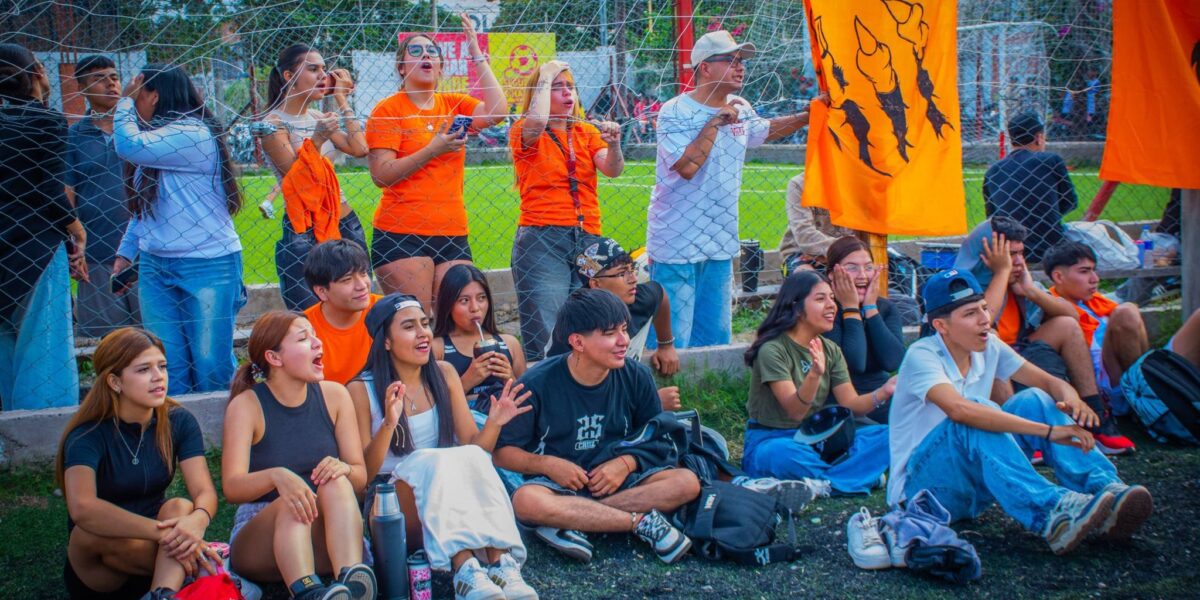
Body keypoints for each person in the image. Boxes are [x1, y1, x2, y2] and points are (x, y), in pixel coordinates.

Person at [888, 269, 1153, 555]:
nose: (984, 319)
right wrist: (1049, 432)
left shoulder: (988, 346)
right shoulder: (922, 354)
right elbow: (959, 410)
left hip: (971, 488)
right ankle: (1053, 513)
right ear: (941, 325)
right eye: (970, 314)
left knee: (1034, 399)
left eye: (984, 308)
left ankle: (1106, 489)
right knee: (977, 410)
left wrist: (1070, 396)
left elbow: (1047, 382)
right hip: (921, 494)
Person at [347, 294, 537, 600]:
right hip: (390, 505)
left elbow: (477, 451)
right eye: (409, 327)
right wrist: (389, 424)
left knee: (464, 455)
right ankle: (464, 571)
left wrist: (494, 422)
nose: (423, 333)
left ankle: (501, 564)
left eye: (424, 324)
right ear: (386, 341)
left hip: (448, 494)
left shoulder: (444, 373)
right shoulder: (361, 389)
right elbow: (363, 478)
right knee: (432, 459)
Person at [494, 289, 700, 565]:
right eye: (610, 333)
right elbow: (502, 453)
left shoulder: (636, 375)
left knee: (686, 482)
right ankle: (639, 523)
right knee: (527, 501)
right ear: (577, 341)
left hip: (621, 482)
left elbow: (660, 440)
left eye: (624, 329)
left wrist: (625, 464)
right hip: (557, 485)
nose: (623, 341)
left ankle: (572, 521)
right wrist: (549, 465)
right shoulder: (536, 383)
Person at [647, 30, 819, 348]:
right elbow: (687, 167)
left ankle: (708, 382)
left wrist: (808, 116)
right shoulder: (675, 110)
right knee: (672, 341)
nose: (740, 67)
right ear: (704, 67)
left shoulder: (741, 106)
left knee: (715, 338)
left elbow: (764, 131)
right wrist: (714, 122)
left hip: (721, 240)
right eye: (730, 60)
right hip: (676, 241)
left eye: (741, 61)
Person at [222, 311, 375, 600]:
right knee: (292, 501)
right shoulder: (246, 406)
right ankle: (307, 592)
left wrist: (343, 468)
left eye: (315, 335)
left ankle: (351, 580)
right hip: (262, 541)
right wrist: (277, 477)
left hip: (328, 532)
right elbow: (232, 487)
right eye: (304, 339)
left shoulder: (335, 395)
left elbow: (359, 477)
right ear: (274, 358)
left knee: (336, 481)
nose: (318, 343)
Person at [56, 328, 219, 600]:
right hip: (102, 563)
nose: (159, 377)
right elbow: (82, 508)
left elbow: (204, 491)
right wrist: (167, 534)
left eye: (162, 366)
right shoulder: (87, 435)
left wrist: (198, 520)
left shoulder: (179, 421)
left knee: (180, 506)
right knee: (86, 534)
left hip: (160, 552)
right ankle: (200, 571)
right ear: (114, 381)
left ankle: (163, 593)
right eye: (144, 369)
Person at [113, 65, 244, 395]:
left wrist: (124, 103)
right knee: (167, 362)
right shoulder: (158, 139)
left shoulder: (192, 134)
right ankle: (178, 424)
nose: (134, 103)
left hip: (208, 263)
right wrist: (126, 252)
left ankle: (218, 424)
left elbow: (126, 144)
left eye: (138, 96)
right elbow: (147, 206)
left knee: (210, 364)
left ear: (154, 96)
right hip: (156, 265)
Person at [954, 216, 1136, 454]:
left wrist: (1031, 291)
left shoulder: (1019, 283)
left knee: (1065, 325)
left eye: (1021, 253)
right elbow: (982, 324)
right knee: (991, 340)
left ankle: (1095, 419)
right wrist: (1001, 273)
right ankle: (1018, 437)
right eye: (1009, 254)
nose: (1018, 262)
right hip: (984, 379)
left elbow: (1073, 316)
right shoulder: (961, 287)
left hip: (1023, 363)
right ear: (984, 255)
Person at [365, 14, 507, 307]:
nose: (426, 55)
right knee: (418, 318)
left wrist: (475, 52)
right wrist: (433, 150)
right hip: (402, 232)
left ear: (441, 66)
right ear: (401, 66)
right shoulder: (388, 110)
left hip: (452, 231)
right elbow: (381, 175)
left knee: (455, 317)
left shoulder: (454, 104)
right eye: (415, 50)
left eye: (432, 51)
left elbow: (497, 112)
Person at [509, 60, 624, 361]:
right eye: (556, 87)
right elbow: (536, 123)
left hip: (587, 237)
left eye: (570, 87)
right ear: (539, 92)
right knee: (547, 329)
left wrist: (614, 145)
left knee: (588, 322)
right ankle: (547, 382)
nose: (566, 93)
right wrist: (545, 72)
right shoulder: (525, 129)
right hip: (543, 237)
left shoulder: (585, 131)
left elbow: (612, 169)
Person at [741, 271, 895, 494]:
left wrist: (884, 392)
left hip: (820, 439)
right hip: (773, 438)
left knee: (888, 435)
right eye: (821, 299)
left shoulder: (830, 349)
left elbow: (851, 404)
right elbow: (795, 411)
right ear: (796, 307)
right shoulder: (772, 350)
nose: (832, 305)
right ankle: (851, 477)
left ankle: (826, 482)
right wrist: (814, 375)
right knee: (779, 454)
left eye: (832, 298)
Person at [0, 42, 83, 410]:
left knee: (5, 344)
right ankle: (47, 426)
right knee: (44, 346)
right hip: (35, 246)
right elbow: (47, 189)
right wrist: (75, 227)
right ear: (36, 73)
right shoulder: (44, 120)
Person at [258, 43, 369, 312]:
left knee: (357, 307)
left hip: (343, 221)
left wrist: (342, 100)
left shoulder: (318, 116)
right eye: (313, 69)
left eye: (324, 69)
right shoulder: (273, 124)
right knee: (311, 311)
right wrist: (317, 139)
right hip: (304, 228)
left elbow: (360, 148)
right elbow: (297, 179)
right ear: (289, 76)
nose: (323, 76)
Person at [66, 55, 141, 338]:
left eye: (114, 77)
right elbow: (67, 195)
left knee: (157, 336)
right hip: (97, 253)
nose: (110, 83)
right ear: (82, 88)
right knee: (107, 342)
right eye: (99, 79)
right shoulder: (73, 137)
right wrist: (73, 248)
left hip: (146, 252)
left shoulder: (141, 129)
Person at [546, 237, 681, 391]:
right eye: (622, 273)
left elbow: (660, 293)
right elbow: (563, 381)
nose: (633, 279)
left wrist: (665, 345)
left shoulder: (637, 298)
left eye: (632, 269)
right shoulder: (575, 322)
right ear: (596, 284)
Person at [1043, 241, 1149, 411]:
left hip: (1122, 374)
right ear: (1059, 277)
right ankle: (1146, 395)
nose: (1095, 279)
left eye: (1094, 270)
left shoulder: (1095, 302)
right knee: (1126, 312)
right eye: (1084, 271)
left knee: (1129, 310)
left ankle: (1149, 384)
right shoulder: (1051, 308)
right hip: (1101, 387)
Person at [823, 237, 905, 423]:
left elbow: (892, 362)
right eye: (852, 268)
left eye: (868, 267)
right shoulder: (826, 311)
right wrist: (851, 308)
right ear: (832, 274)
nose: (862, 275)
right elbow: (854, 363)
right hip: (841, 400)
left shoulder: (885, 308)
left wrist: (871, 309)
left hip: (881, 392)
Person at [983, 112, 1078, 262]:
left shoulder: (993, 171)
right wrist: (1046, 213)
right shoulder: (1051, 160)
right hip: (1051, 248)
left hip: (1013, 251)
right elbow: (1070, 201)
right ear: (1039, 137)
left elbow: (993, 218)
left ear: (1011, 138)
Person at [432, 264, 526, 411]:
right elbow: (432, 406)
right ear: (448, 304)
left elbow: (527, 398)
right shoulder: (438, 348)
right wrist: (468, 380)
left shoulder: (509, 344)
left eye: (481, 298)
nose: (475, 308)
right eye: (464, 300)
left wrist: (509, 377)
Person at [303, 240, 381, 385]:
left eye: (363, 273)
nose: (362, 285)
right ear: (322, 291)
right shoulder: (304, 330)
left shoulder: (386, 311)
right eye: (347, 280)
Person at [777, 173, 852, 276]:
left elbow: (866, 235)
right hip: (803, 253)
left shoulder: (858, 182)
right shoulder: (799, 184)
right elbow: (805, 236)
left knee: (860, 275)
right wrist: (841, 250)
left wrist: (835, 254)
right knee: (808, 278)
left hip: (850, 253)